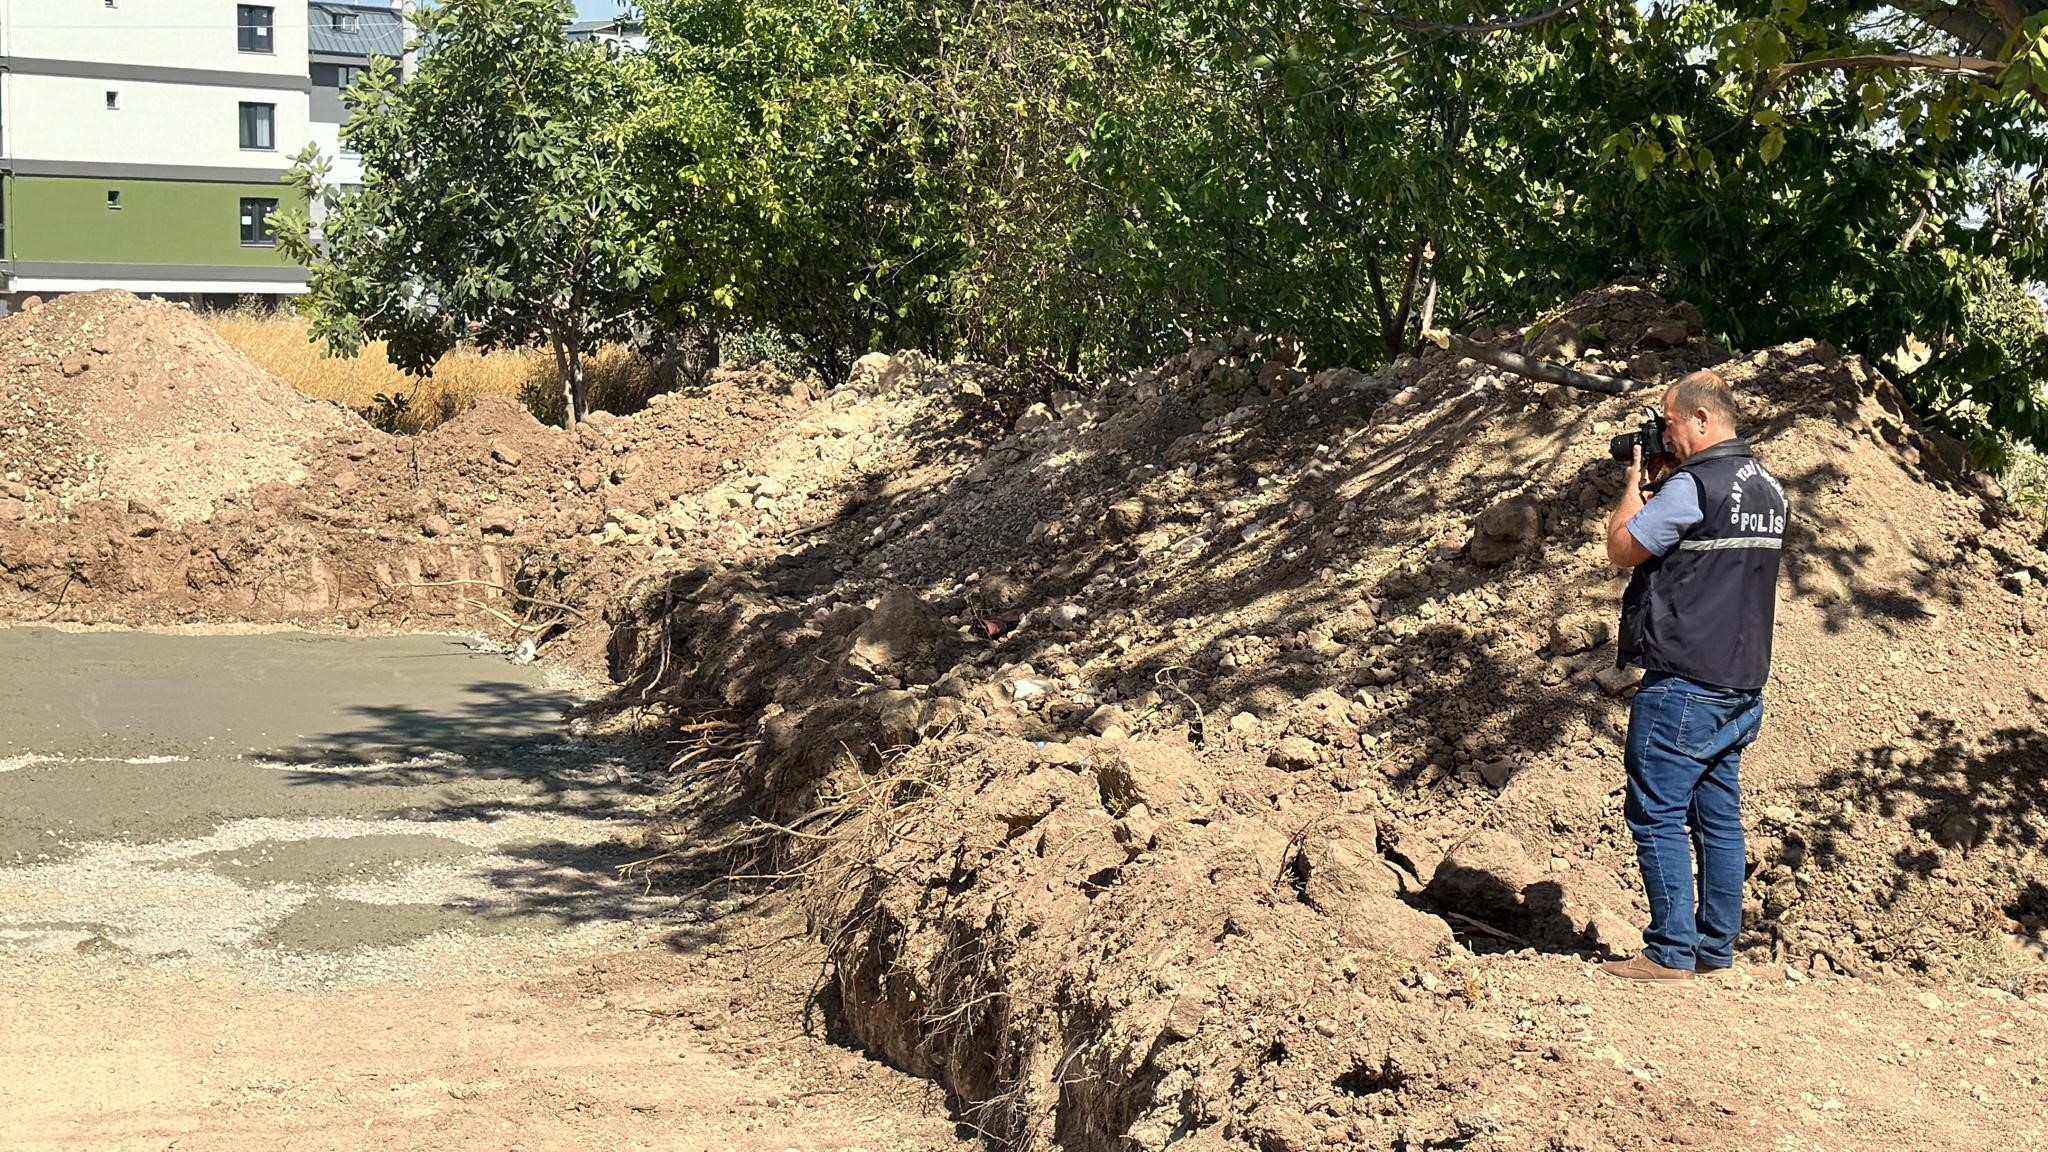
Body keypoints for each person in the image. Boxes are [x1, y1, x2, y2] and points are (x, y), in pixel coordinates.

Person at [1599, 369, 1789, 981]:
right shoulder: (1768, 487)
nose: (1663, 433)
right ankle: (1715, 949)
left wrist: (1634, 483)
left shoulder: (1694, 485)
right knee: (1718, 816)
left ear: (1702, 420)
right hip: (1741, 680)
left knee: (1655, 810)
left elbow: (1625, 547)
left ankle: (1669, 951)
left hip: (1684, 680)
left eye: (1669, 422)